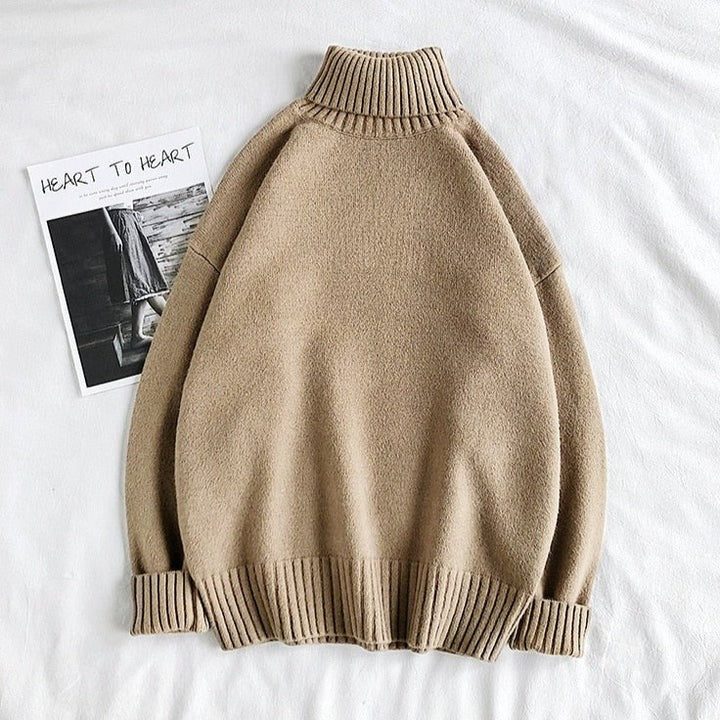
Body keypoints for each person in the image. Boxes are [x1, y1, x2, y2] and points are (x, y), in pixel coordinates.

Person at [100, 201, 168, 349]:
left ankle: (137, 336)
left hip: (129, 219)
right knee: (144, 282)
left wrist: (132, 213)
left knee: (141, 283)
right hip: (118, 222)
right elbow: (97, 205)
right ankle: (180, 323)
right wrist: (112, 230)